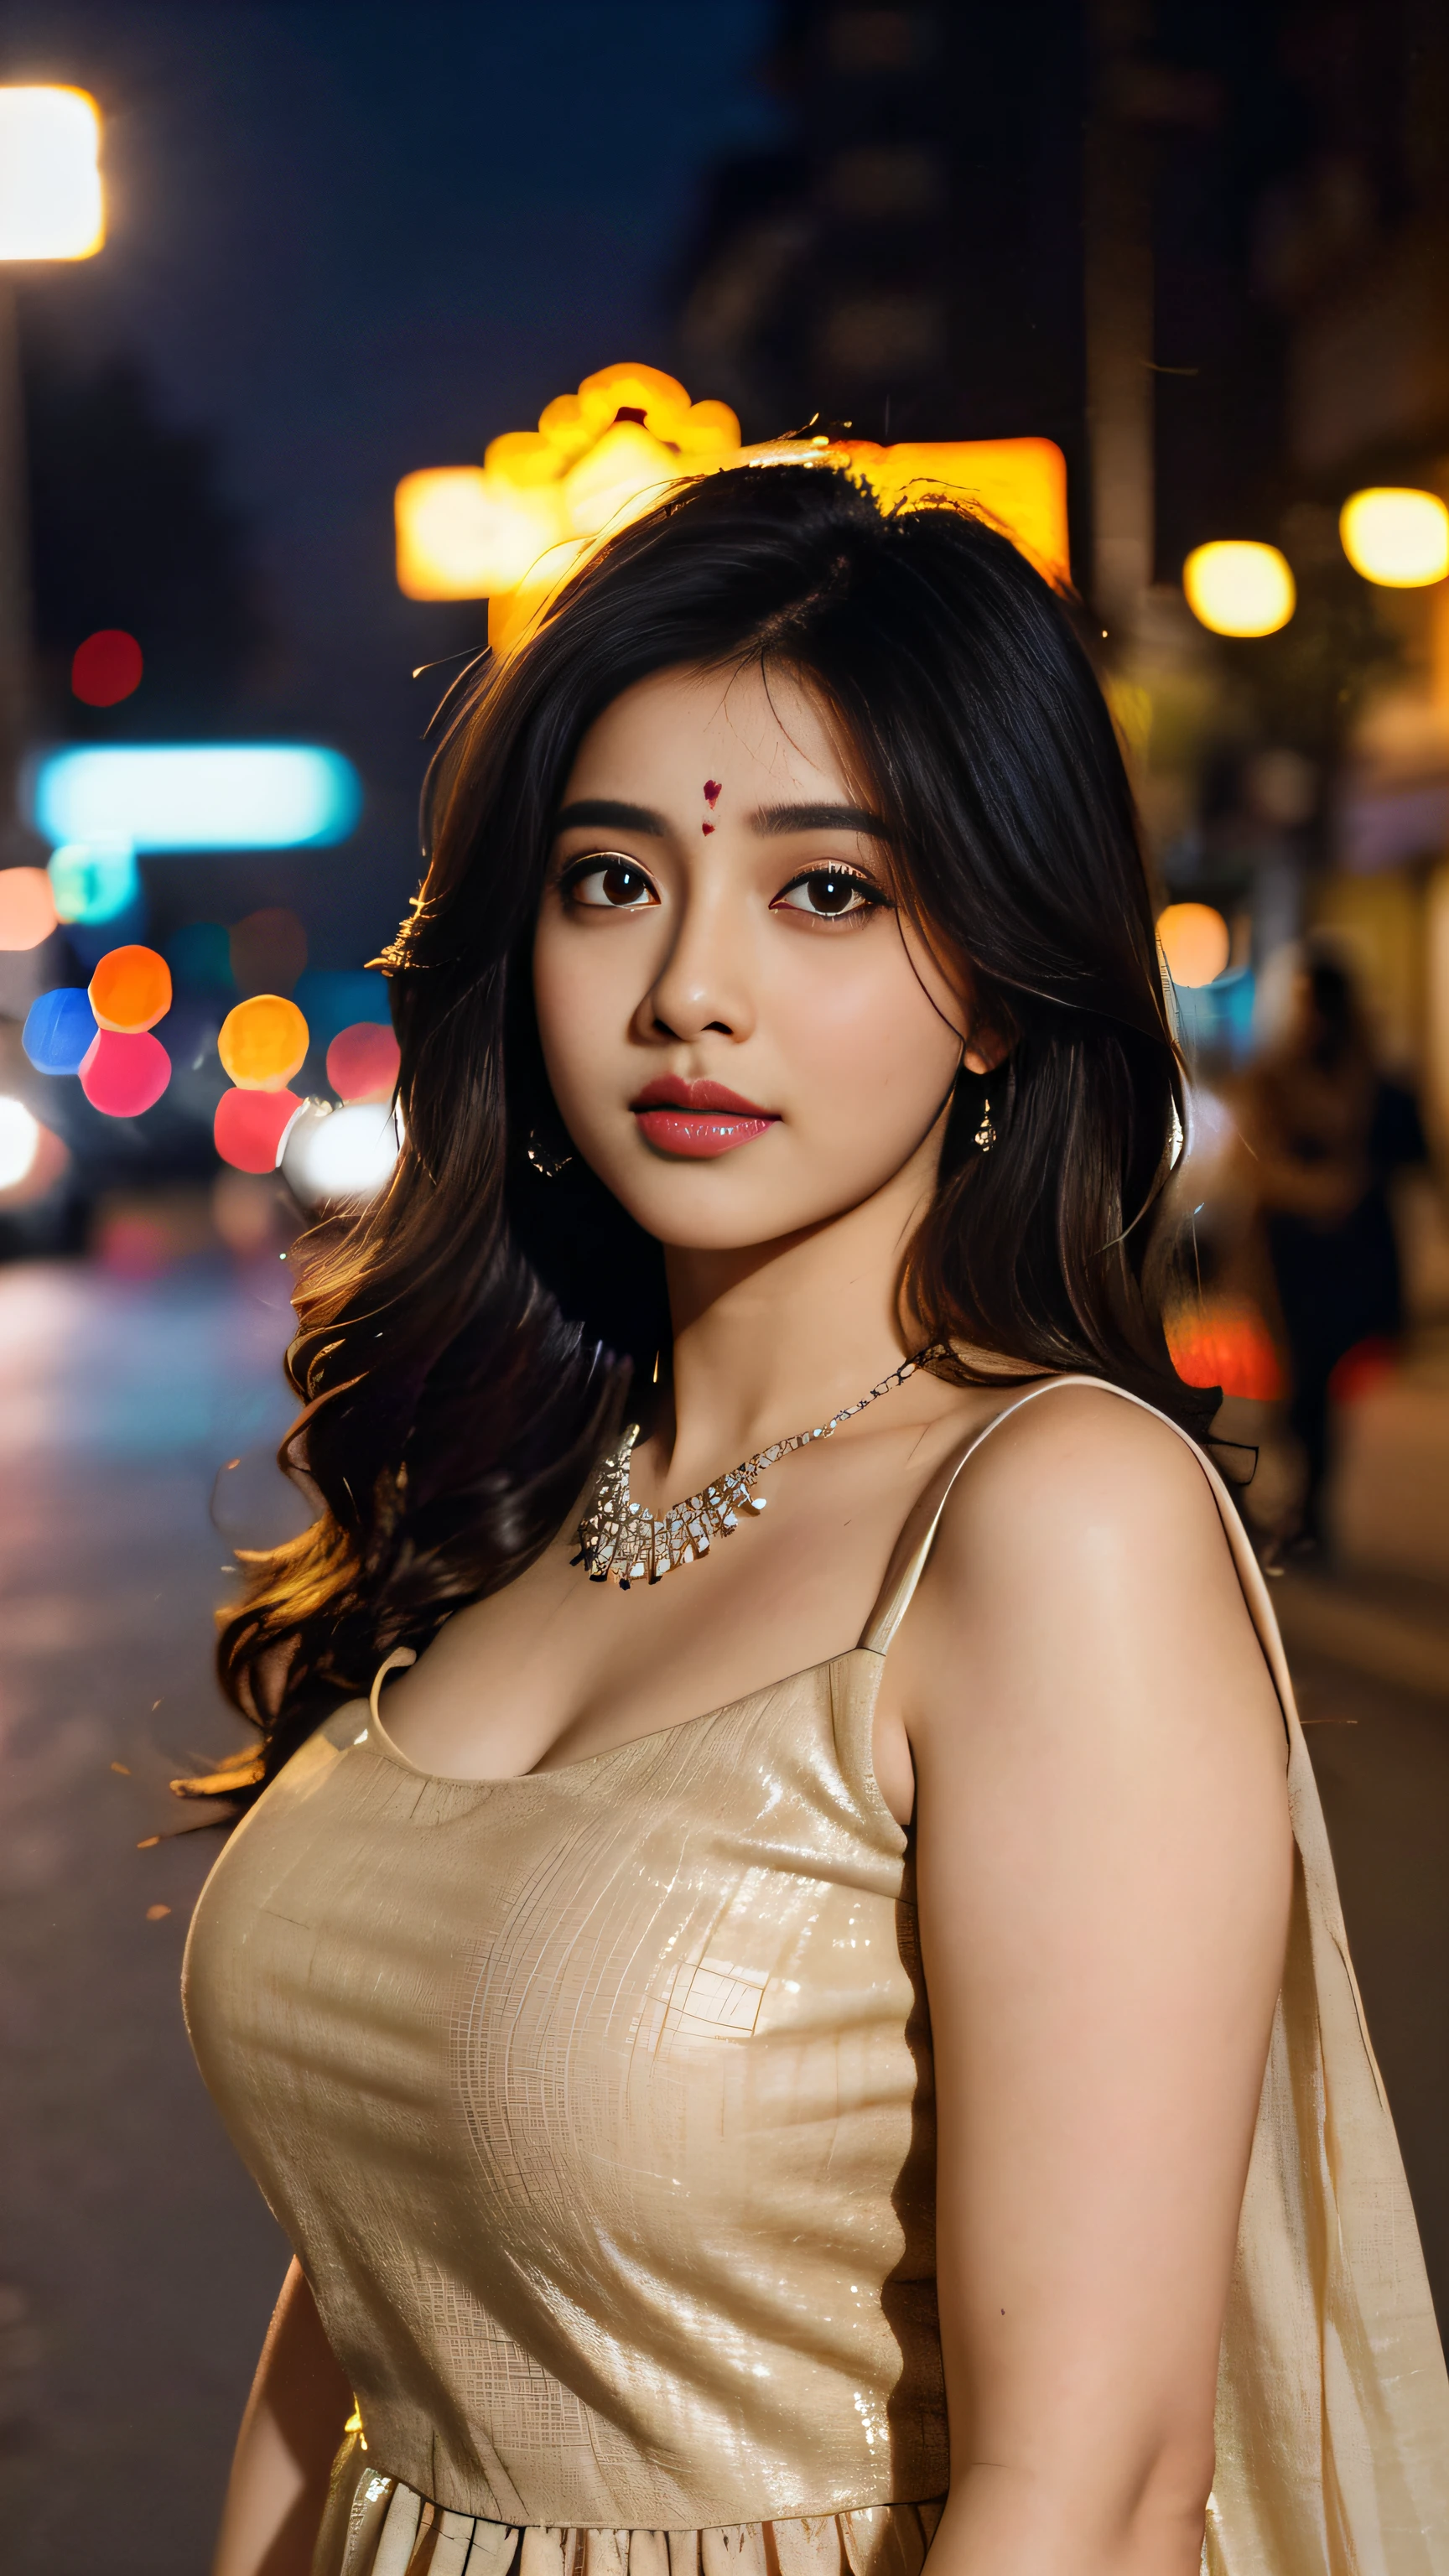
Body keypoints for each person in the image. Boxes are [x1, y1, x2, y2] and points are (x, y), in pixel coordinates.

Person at [181, 462, 1449, 2576]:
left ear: (1001, 979)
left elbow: (1095, 2485)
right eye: (611, 879)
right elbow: (367, 2314)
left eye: (828, 890)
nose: (690, 986)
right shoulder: (509, 1489)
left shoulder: (1047, 1525)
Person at [1245, 953, 1428, 1550]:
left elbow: (1411, 1157)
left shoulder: (1371, 1080)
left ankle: (1306, 1505)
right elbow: (1255, 1162)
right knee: (1301, 1381)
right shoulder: (1280, 1077)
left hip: (1343, 1258)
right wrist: (1320, 1190)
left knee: (1314, 1382)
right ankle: (1302, 1504)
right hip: (1293, 1254)